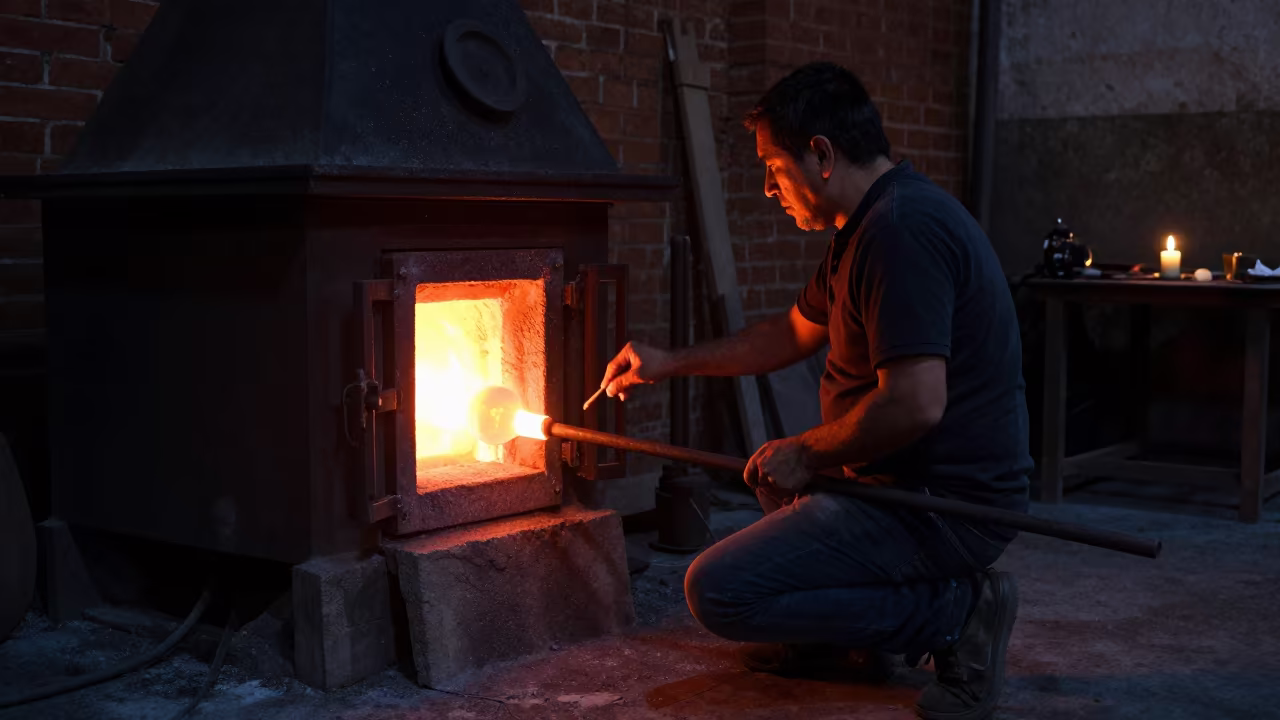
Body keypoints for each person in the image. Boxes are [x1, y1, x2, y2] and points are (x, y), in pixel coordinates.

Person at [598, 62, 1033, 720]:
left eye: (775, 168)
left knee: (718, 591)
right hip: (892, 489)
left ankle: (959, 612)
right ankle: (855, 638)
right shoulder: (859, 232)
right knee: (773, 523)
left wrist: (808, 454)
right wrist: (666, 361)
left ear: (822, 156)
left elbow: (917, 401)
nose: (770, 190)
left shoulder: (900, 233)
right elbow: (789, 335)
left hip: (942, 505)